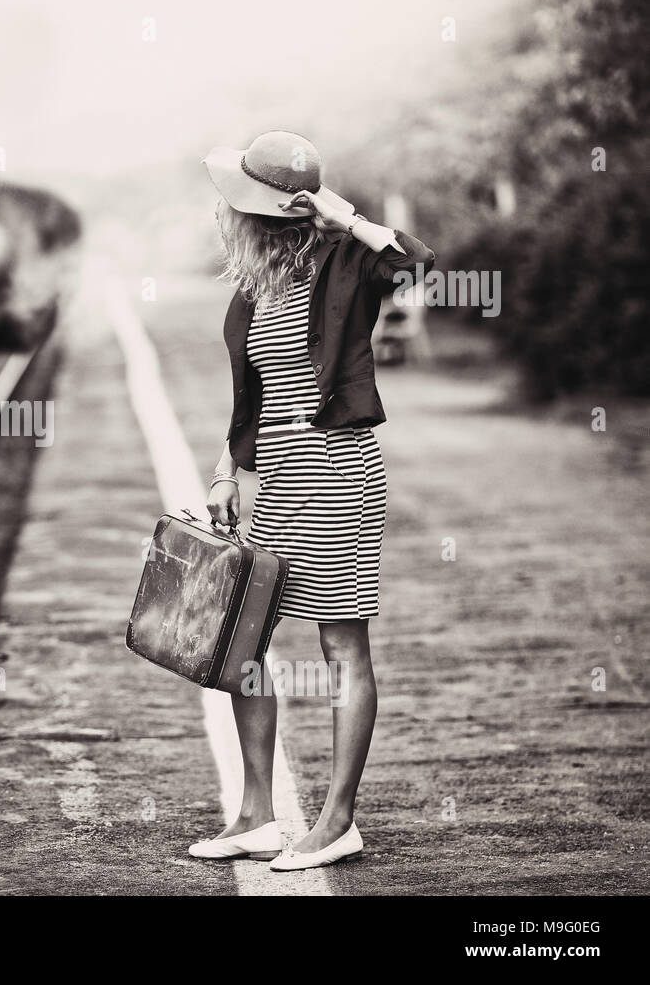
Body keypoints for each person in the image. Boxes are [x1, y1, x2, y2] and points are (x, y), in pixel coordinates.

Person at [190, 130, 435, 871]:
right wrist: (227, 472)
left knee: (340, 645)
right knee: (245, 644)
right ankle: (258, 814)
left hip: (339, 470)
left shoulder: (348, 263)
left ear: (256, 211)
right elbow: (251, 403)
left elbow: (417, 262)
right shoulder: (252, 288)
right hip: (283, 478)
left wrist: (341, 212)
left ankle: (336, 821)